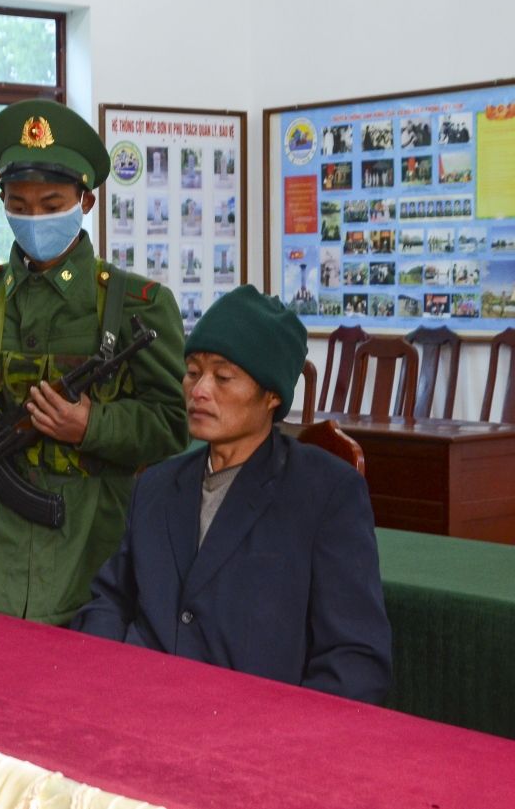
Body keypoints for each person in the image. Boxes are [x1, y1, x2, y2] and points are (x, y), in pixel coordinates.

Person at [0, 99, 188, 626]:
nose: (34, 218)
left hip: (97, 555)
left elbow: (173, 425)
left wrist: (91, 425)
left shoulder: (136, 306)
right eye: (19, 204)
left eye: (52, 203)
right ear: (1, 199)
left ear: (86, 201)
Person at [72, 285, 392, 704]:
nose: (199, 390)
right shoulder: (155, 485)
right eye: (192, 371)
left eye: (223, 377)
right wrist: (104, 677)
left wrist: (279, 740)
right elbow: (109, 602)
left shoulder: (324, 493)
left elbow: (356, 658)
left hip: (252, 735)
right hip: (134, 707)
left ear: (272, 394)